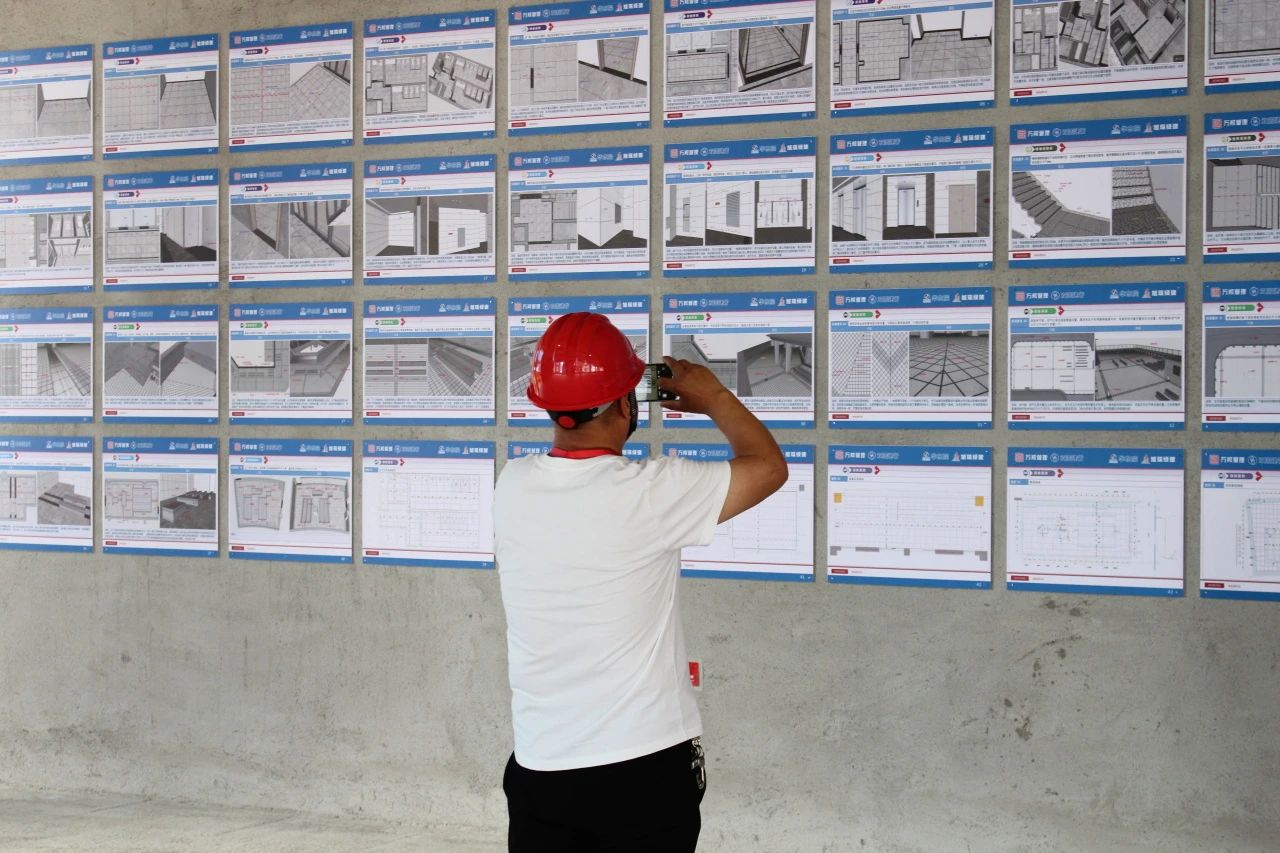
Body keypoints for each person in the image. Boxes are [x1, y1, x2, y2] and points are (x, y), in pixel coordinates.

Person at [493, 312, 788, 852]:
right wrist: (714, 397)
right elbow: (768, 467)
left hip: (541, 768)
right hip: (644, 770)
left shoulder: (512, 485)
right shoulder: (651, 492)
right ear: (627, 402)